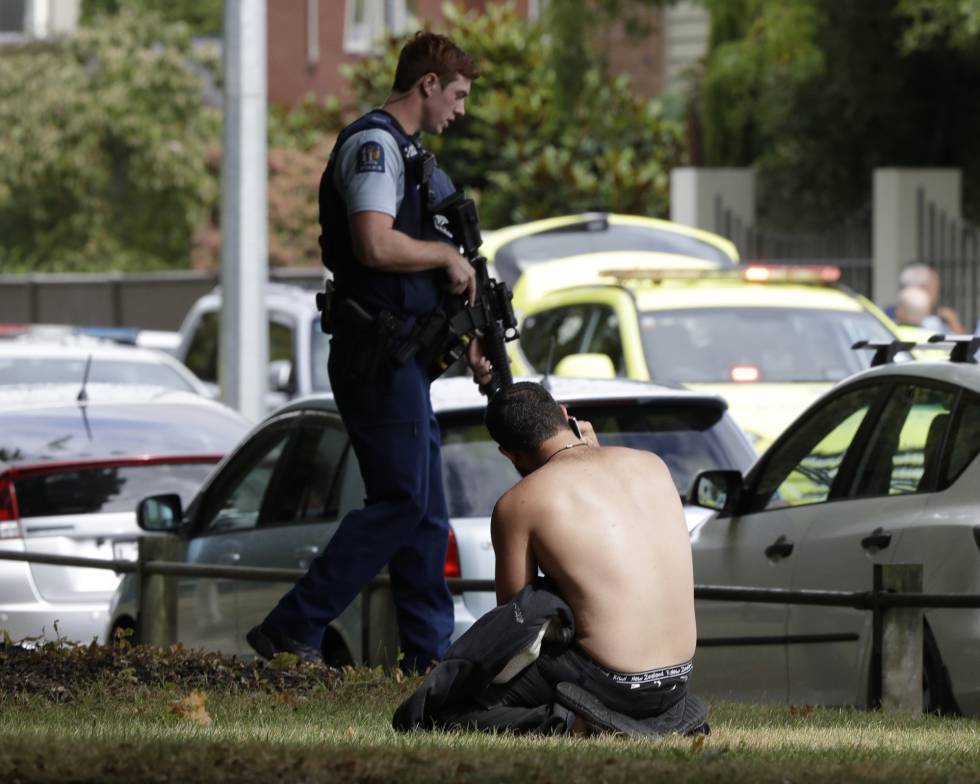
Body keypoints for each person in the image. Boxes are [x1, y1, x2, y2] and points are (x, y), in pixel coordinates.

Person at [246, 32, 481, 673]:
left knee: (426, 511)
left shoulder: (414, 158)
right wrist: (445, 256)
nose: (460, 110)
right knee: (402, 500)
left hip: (403, 359)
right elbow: (375, 246)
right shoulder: (375, 146)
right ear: (427, 84)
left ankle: (428, 658)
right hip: (374, 356)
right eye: (457, 94)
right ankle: (293, 627)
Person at [393, 382, 707, 737]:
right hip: (677, 682)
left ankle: (574, 724)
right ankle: (646, 720)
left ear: (509, 454)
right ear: (563, 414)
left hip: (611, 683)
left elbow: (515, 621)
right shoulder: (652, 465)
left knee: (445, 714)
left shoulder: (520, 503)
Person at [887, 263, 965, 334]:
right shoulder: (933, 323)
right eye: (935, 287)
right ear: (922, 288)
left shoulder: (939, 317)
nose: (938, 293)